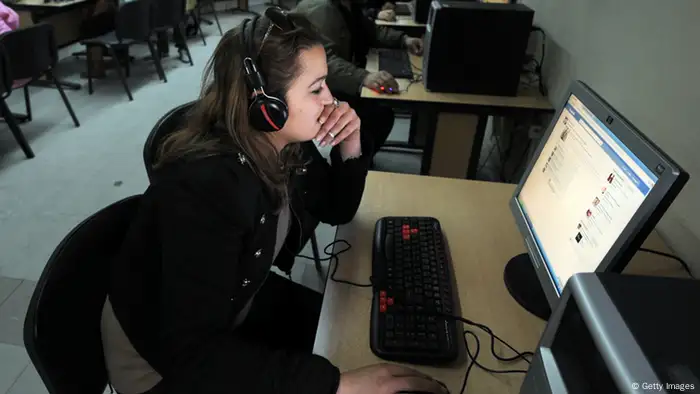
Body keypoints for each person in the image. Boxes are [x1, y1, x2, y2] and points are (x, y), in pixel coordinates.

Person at [101, 7, 446, 394]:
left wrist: (350, 148)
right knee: (340, 368)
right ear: (266, 104)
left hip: (236, 301)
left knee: (354, 340)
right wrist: (338, 385)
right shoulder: (205, 189)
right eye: (315, 89)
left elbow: (336, 209)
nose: (331, 100)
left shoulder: (280, 142)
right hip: (161, 367)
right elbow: (192, 355)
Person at [292, 0, 424, 156]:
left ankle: (355, 161)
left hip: (332, 79)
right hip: (317, 89)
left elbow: (371, 32)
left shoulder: (348, 6)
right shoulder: (322, 9)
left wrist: (403, 40)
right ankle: (347, 166)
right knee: (378, 116)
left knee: (379, 111)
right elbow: (324, 62)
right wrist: (363, 77)